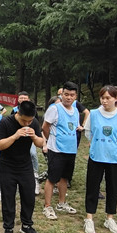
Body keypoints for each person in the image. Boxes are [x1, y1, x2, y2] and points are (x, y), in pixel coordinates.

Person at [83, 86, 117, 233]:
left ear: (115, 99)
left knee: (113, 188)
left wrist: (116, 145)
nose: (104, 101)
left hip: (115, 157)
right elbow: (88, 132)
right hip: (96, 156)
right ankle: (89, 218)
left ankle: (109, 218)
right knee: (92, 187)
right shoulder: (94, 114)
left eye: (108, 98)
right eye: (102, 98)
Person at [0, 100, 45, 233]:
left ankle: (27, 226)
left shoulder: (33, 122)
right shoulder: (5, 123)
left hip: (25, 166)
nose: (27, 124)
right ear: (18, 113)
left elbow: (41, 143)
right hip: (7, 166)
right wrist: (15, 136)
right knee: (8, 197)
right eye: (25, 121)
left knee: (29, 196)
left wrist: (34, 137)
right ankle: (8, 228)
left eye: (30, 121)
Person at [42, 81, 83, 220]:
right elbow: (45, 127)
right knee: (52, 178)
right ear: (61, 94)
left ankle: (61, 202)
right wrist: (50, 141)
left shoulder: (76, 111)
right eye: (66, 94)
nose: (69, 97)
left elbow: (75, 128)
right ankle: (47, 206)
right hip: (56, 150)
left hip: (70, 150)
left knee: (65, 178)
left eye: (72, 95)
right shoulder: (55, 109)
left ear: (75, 96)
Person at [11, 92, 41, 195]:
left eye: (25, 98)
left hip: (29, 137)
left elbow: (41, 141)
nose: (23, 99)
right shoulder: (14, 111)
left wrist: (34, 136)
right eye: (21, 98)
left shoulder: (33, 112)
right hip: (17, 140)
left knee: (33, 154)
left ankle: (35, 177)